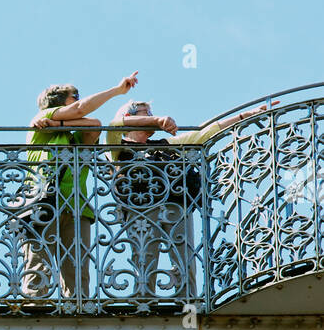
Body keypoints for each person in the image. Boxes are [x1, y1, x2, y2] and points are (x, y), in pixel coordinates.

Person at [107, 100, 275, 301]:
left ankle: (187, 301)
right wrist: (158, 120)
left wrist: (244, 116)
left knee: (184, 256)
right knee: (145, 257)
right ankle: (145, 302)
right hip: (141, 208)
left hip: (174, 205)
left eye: (151, 113)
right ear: (131, 118)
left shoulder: (165, 145)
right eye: (145, 113)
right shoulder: (117, 146)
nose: (151, 116)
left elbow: (204, 132)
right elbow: (115, 123)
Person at [20, 73, 139, 300]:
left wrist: (58, 124)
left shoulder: (68, 130)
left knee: (77, 269)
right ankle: (35, 311)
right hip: (41, 202)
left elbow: (94, 125)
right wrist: (116, 90)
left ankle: (77, 311)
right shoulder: (40, 121)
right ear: (56, 102)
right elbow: (80, 111)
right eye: (74, 96)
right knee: (38, 265)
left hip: (76, 207)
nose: (78, 99)